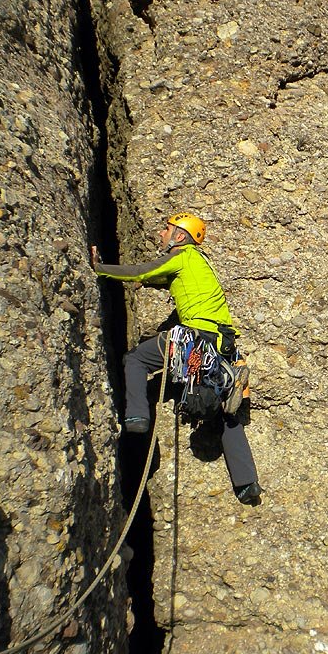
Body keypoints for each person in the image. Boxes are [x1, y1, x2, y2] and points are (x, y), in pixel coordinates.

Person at [90, 212, 262, 506]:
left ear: (179, 236)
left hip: (195, 339)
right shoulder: (199, 263)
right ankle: (247, 485)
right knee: (225, 413)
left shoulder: (182, 256)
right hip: (223, 347)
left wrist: (99, 268)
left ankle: (137, 417)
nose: (161, 234)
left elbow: (143, 270)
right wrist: (151, 283)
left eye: (166, 229)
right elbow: (164, 279)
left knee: (136, 360)